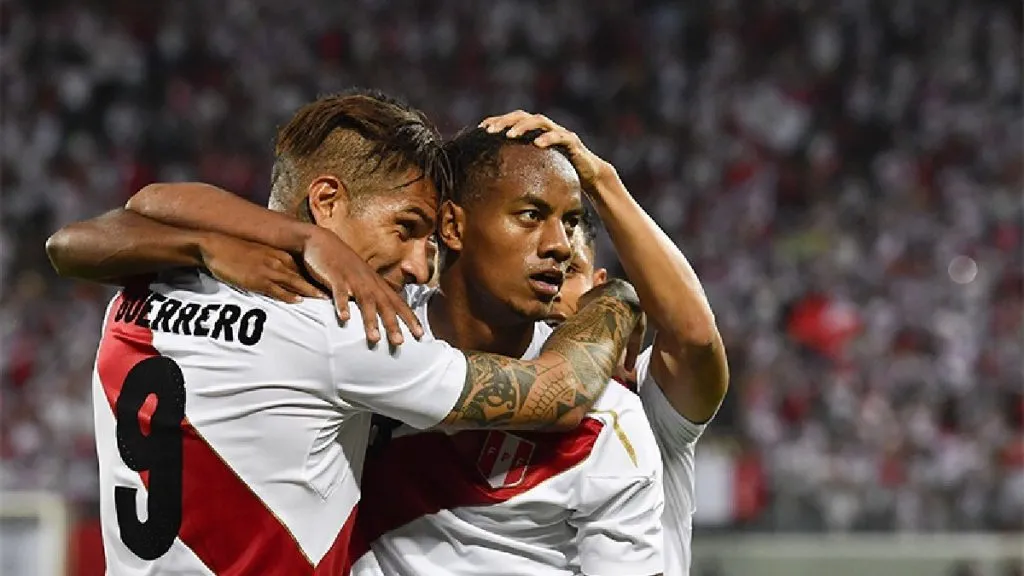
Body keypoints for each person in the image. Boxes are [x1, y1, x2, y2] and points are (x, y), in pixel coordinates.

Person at [45, 92, 643, 575]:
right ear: (327, 201)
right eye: (407, 228)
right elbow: (558, 392)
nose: (416, 266)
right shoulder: (344, 331)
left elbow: (134, 213)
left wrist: (273, 241)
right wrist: (615, 298)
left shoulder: (145, 280)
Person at [486, 111, 729, 576]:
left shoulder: (642, 393)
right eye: (537, 263)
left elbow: (694, 339)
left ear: (599, 282)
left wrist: (601, 181)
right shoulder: (471, 377)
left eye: (569, 269)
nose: (553, 281)